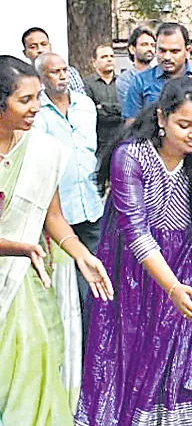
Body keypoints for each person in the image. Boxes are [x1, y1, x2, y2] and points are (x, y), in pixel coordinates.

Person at [75, 77, 192, 425]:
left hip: (189, 272)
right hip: (131, 277)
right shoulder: (130, 157)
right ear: (162, 118)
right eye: (184, 124)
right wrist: (171, 288)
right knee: (132, 361)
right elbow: (137, 234)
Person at [0, 55, 113, 426]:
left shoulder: (40, 151)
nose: (36, 108)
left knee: (36, 356)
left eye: (37, 98)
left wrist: (82, 255)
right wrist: (19, 247)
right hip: (16, 265)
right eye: (26, 100)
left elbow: (54, 219)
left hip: (28, 281)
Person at [34, 52, 104, 338]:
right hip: (56, 211)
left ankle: (95, 339)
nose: (62, 76)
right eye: (54, 72)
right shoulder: (36, 111)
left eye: (64, 70)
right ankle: (73, 341)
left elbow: (92, 150)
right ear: (42, 78)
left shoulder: (86, 106)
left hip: (91, 203)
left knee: (94, 278)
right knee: (66, 283)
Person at [122, 22, 192, 119]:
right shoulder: (140, 82)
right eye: (162, 51)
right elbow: (131, 126)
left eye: (174, 51)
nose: (167, 57)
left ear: (187, 51)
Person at [21, 27, 86, 94]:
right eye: (33, 47)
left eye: (44, 44)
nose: (40, 50)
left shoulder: (70, 73)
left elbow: (82, 100)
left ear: (50, 47)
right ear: (25, 53)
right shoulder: (23, 78)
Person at [84, 44, 122, 152]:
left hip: (121, 139)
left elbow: (126, 109)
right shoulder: (87, 84)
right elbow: (90, 112)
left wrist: (103, 107)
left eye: (111, 56)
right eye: (104, 57)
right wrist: (116, 110)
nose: (109, 59)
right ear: (94, 62)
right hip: (99, 143)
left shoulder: (123, 82)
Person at [116, 26, 156, 104]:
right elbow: (133, 107)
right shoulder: (125, 80)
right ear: (132, 49)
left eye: (152, 45)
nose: (150, 49)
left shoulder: (161, 75)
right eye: (144, 44)